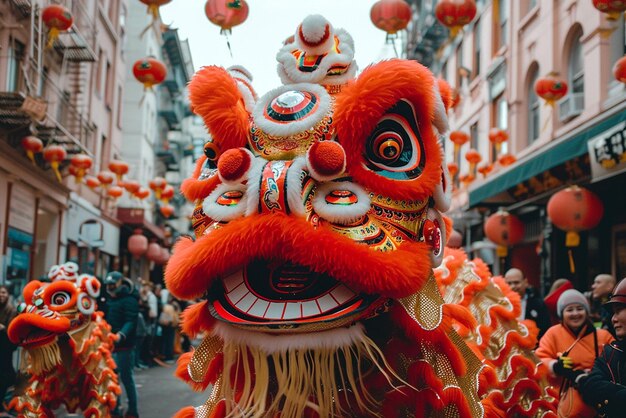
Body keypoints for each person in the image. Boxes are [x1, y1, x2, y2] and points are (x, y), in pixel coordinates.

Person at [536, 289, 613, 417]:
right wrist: (555, 366)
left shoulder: (603, 336)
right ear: (562, 314)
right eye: (569, 310)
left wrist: (594, 374)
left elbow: (615, 362)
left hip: (597, 400)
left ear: (587, 312)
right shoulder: (553, 333)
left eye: (579, 308)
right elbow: (538, 360)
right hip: (560, 401)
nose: (575, 313)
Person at [579, 278, 626, 417]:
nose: (613, 319)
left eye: (618, 311)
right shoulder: (610, 352)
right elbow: (590, 386)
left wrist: (611, 393)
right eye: (613, 313)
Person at [103, 272, 140, 418]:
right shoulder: (107, 299)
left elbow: (131, 320)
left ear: (120, 283)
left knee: (126, 378)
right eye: (108, 285)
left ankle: (132, 410)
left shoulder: (130, 300)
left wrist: (121, 335)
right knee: (112, 378)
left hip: (125, 346)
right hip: (109, 345)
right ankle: (115, 409)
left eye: (113, 284)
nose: (110, 287)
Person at [504, 267, 551, 338]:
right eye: (509, 283)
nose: (512, 286)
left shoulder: (538, 304)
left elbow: (546, 330)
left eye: (516, 282)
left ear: (525, 282)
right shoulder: (499, 304)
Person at [0, 285, 17, 416]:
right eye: (0, 292)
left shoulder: (12, 310)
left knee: (6, 375)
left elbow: (13, 329)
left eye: (4, 292)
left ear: (8, 294)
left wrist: (3, 328)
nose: (1, 294)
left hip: (6, 346)